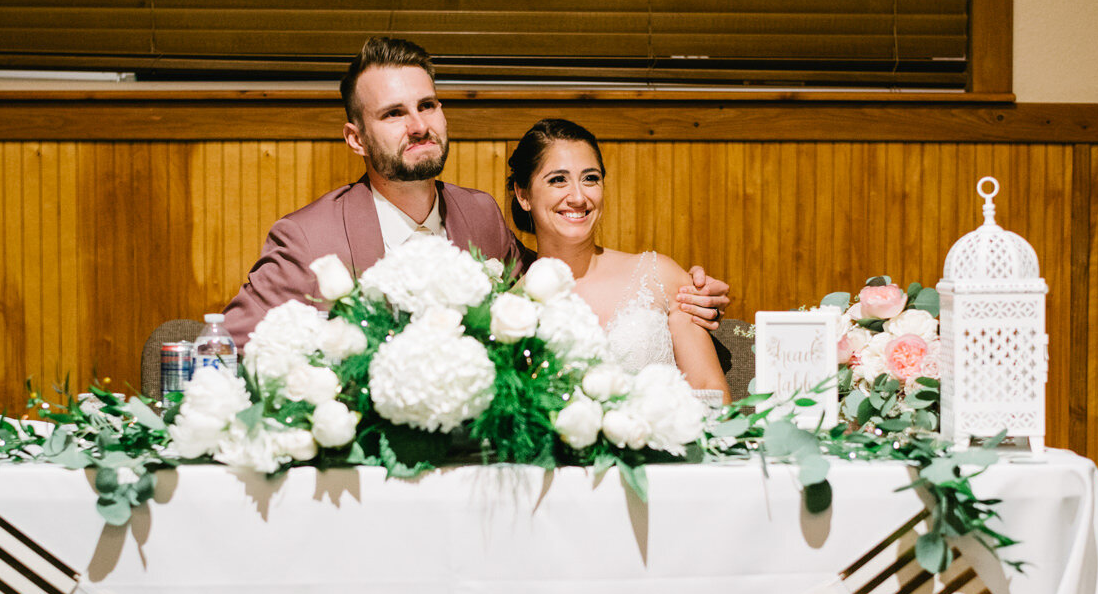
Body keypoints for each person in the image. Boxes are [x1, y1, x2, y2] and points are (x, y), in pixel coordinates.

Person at [224, 36, 730, 349]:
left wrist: (679, 292)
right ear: (356, 138)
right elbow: (229, 350)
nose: (419, 126)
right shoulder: (309, 238)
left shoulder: (480, 215)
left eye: (428, 105)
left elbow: (555, 285)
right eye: (394, 113)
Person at [508, 119, 730, 404]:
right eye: (558, 180)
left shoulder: (659, 275)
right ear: (523, 195)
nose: (578, 197)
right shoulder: (511, 310)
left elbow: (712, 392)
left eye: (590, 178)